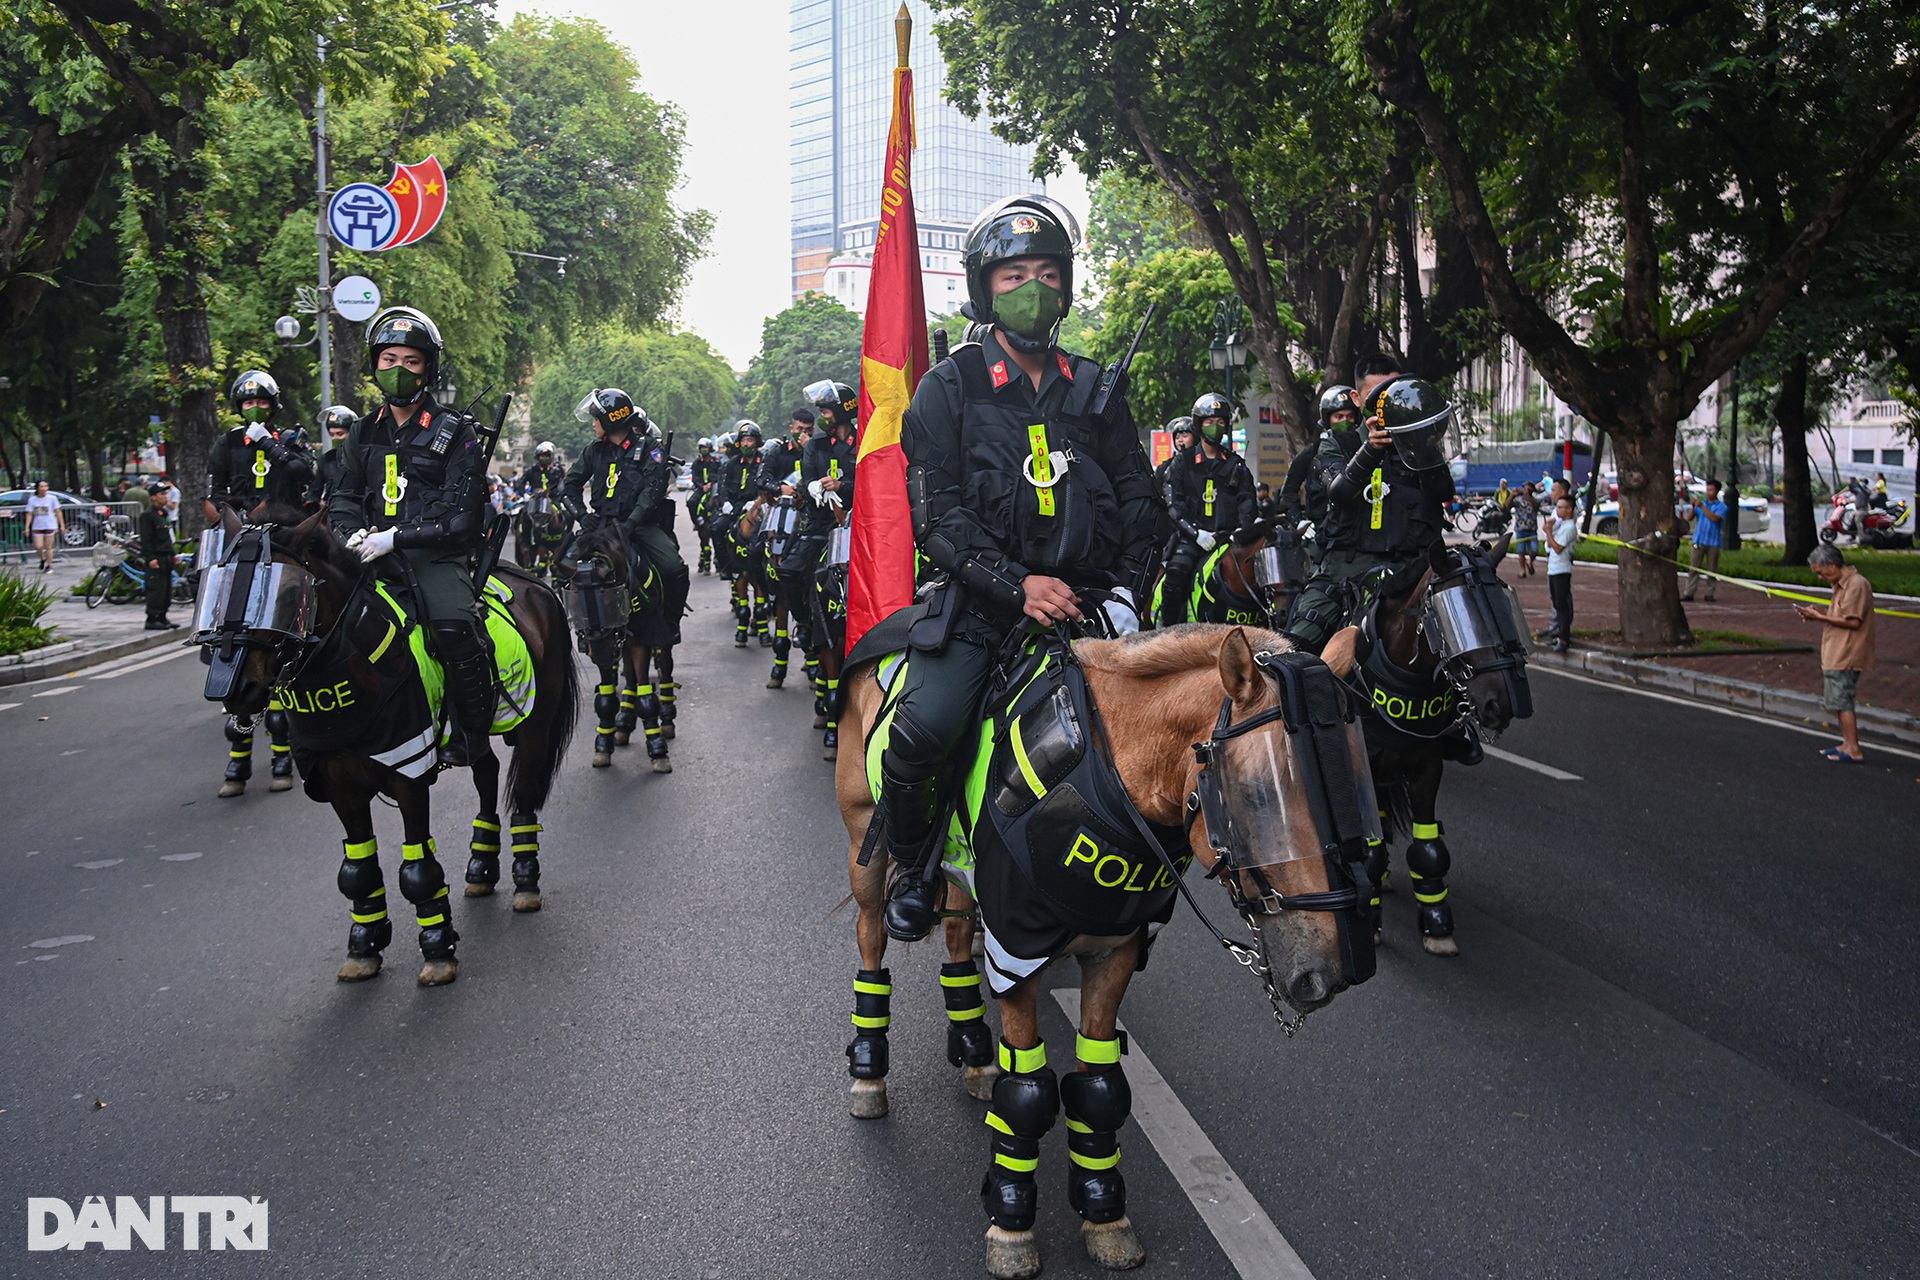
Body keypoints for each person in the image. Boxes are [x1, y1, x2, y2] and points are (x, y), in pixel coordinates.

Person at [880, 194, 1157, 943]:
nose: (1030, 288)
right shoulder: (948, 388)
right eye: (1011, 276)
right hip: (982, 607)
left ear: (1064, 286)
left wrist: (1129, 594)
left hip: (1092, 607)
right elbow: (938, 520)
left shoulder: (1098, 390)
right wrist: (1016, 585)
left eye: (1044, 273)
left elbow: (1138, 503)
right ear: (985, 289)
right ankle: (915, 866)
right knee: (924, 731)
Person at [329, 307, 494, 768]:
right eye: (388, 360)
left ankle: (470, 729)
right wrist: (348, 534)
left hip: (432, 557)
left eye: (411, 361)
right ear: (374, 365)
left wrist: (396, 538)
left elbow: (462, 519)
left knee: (454, 625)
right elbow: (341, 496)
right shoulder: (360, 432)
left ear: (429, 368)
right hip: (367, 555)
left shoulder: (456, 431)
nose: (397, 370)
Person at [1282, 359, 1455, 655]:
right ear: (1357, 398)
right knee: (1296, 646)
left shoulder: (1418, 445)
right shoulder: (1336, 443)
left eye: (1397, 390)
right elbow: (1339, 492)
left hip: (1413, 568)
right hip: (1346, 568)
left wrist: (1425, 447)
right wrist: (1371, 450)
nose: (1389, 401)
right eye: (1379, 393)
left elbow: (1444, 492)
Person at [563, 389, 689, 643]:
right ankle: (585, 626)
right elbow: (569, 485)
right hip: (601, 524)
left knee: (674, 568)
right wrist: (580, 514)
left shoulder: (651, 448)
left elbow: (652, 491)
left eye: (597, 418)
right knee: (565, 566)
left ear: (612, 419)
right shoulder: (594, 450)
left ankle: (670, 623)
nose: (593, 424)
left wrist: (632, 523)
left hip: (639, 526)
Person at [1159, 390, 1258, 626]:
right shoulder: (1182, 462)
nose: (1215, 426)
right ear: (1199, 425)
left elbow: (1248, 503)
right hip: (1192, 538)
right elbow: (1172, 503)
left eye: (1220, 422)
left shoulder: (1236, 464)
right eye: (1210, 422)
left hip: (1227, 540)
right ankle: (1168, 630)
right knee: (1175, 574)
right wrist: (1195, 533)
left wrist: (1240, 533)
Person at [1795, 545, 1875, 762]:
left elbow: (1852, 621)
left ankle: (1853, 748)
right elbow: (1840, 615)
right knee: (1837, 701)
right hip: (1836, 650)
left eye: (1821, 572)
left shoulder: (1856, 585)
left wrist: (1819, 617)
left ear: (1831, 564)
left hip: (1846, 652)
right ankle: (1847, 744)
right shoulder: (1841, 585)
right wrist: (1818, 614)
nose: (1820, 577)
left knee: (1842, 700)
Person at [206, 370, 315, 518]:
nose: (255, 408)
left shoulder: (290, 439)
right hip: (242, 526)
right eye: (249, 403)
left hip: (287, 523)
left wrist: (267, 441)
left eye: (262, 403)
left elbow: (306, 473)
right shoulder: (228, 442)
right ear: (241, 407)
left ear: (272, 405)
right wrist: (231, 512)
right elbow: (216, 490)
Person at [137, 486, 177, 631]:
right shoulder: (147, 516)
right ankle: (152, 618)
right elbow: (146, 539)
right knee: (156, 589)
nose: (166, 497)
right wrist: (150, 558)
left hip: (166, 556)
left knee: (166, 589)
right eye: (162, 494)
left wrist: (173, 554)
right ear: (153, 497)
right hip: (156, 557)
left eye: (166, 493)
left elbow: (167, 537)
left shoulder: (163, 513)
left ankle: (162, 616)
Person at [1682, 479, 1727, 602]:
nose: (1708, 492)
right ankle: (1689, 592)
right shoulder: (1701, 504)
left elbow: (1715, 518)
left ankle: (1709, 593)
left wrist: (1702, 506)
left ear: (1717, 491)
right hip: (1699, 540)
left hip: (1713, 542)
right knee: (1693, 568)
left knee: (1711, 570)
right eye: (1707, 489)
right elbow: (1689, 518)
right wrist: (1693, 506)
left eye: (1711, 490)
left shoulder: (1721, 507)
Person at [1544, 493, 1578, 651]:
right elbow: (1551, 546)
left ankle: (1564, 638)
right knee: (1556, 602)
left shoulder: (1570, 527)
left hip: (1561, 570)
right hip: (1554, 568)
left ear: (1569, 509)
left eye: (1560, 507)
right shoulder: (1562, 525)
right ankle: (1559, 634)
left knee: (1562, 604)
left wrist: (1549, 531)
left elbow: (1557, 548)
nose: (1557, 510)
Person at [309, 405, 358, 506]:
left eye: (340, 434)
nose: (335, 438)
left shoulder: (364, 457)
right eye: (332, 434)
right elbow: (314, 493)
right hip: (332, 513)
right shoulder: (326, 460)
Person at [689, 437, 722, 573]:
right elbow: (695, 476)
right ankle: (697, 521)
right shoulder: (697, 463)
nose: (703, 450)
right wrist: (701, 486)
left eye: (705, 448)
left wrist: (711, 483)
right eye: (701, 448)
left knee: (719, 502)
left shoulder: (716, 462)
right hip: (701, 489)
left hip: (713, 488)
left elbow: (719, 475)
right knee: (691, 502)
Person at [25, 480, 62, 572]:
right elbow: (29, 513)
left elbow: (58, 512)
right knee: (38, 546)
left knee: (48, 546)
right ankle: (42, 558)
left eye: (45, 486)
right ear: (37, 488)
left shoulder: (52, 498)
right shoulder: (32, 500)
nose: (44, 488)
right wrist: (27, 527)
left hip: (50, 524)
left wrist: (62, 525)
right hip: (37, 525)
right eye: (42, 486)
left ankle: (49, 566)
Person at [1511, 481, 1540, 575]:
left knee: (1534, 550)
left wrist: (1528, 496)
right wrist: (1512, 496)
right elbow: (1507, 506)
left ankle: (1530, 562)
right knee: (1521, 551)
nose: (1526, 490)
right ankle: (1522, 570)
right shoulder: (1518, 499)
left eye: (1528, 488)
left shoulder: (1535, 500)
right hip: (1520, 529)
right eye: (1525, 488)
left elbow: (1535, 506)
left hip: (1532, 529)